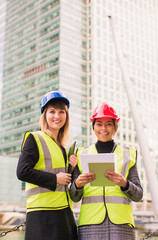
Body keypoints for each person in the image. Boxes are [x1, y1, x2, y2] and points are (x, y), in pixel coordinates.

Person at [69, 102, 143, 240]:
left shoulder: (128, 154)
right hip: (90, 224)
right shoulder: (81, 154)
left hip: (122, 226)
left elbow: (138, 195)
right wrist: (77, 184)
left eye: (108, 123)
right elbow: (74, 197)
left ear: (115, 126)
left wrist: (124, 183)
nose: (103, 128)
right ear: (93, 126)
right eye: (99, 124)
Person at [17, 90, 78, 240]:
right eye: (52, 111)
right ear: (44, 115)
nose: (57, 116)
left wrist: (72, 168)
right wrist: (54, 179)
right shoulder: (34, 138)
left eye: (61, 112)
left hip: (63, 213)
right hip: (42, 215)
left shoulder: (63, 147)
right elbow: (22, 172)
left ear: (66, 116)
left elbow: (64, 181)